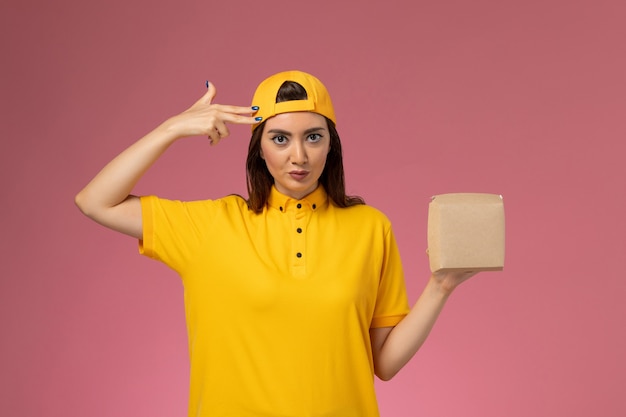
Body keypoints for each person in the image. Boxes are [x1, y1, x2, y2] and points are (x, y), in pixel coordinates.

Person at [75, 70, 477, 417]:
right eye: (280, 139)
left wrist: (441, 286)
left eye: (313, 137)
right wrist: (171, 129)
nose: (298, 155)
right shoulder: (210, 225)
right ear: (259, 148)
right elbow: (95, 201)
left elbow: (384, 363)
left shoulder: (370, 228)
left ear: (331, 144)